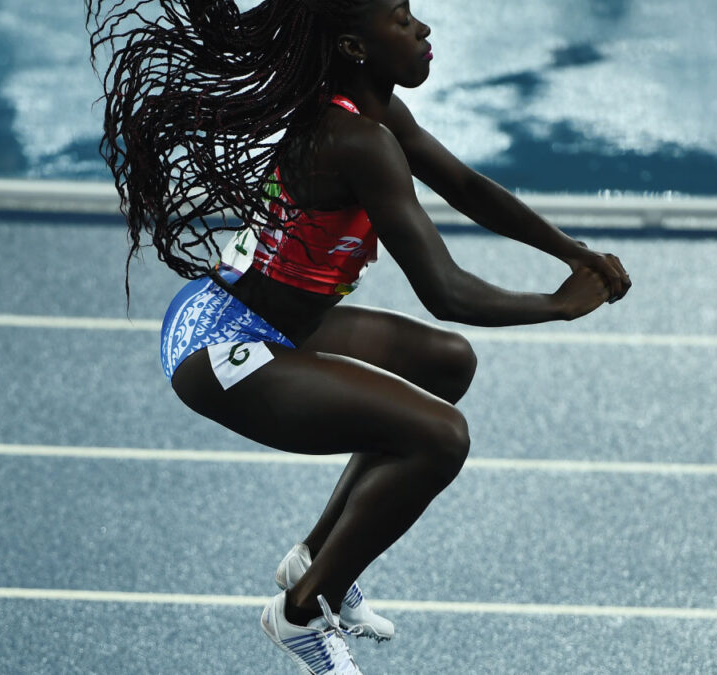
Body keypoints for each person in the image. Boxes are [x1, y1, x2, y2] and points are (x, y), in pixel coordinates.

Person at [88, 0, 631, 672]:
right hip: (221, 346)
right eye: (401, 20)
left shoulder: (372, 113)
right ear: (353, 46)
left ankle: (315, 559)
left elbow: (463, 184)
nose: (423, 29)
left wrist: (571, 250)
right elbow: (446, 292)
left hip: (277, 323)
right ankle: (301, 613)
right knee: (439, 436)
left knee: (445, 363)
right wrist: (557, 305)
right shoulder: (356, 141)